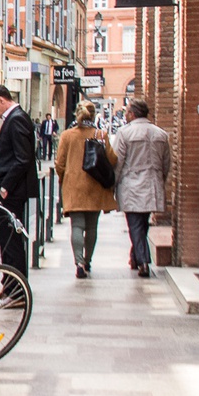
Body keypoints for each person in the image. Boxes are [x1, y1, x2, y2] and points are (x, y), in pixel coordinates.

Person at [54, 101, 117, 279]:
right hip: (95, 186)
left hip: (74, 186)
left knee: (77, 226)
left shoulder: (67, 135)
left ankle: (79, 263)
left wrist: (64, 178)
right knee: (92, 227)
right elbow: (112, 159)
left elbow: (60, 163)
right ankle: (88, 261)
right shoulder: (101, 134)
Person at [0, 84, 37, 288]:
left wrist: (5, 186)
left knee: (10, 240)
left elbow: (23, 158)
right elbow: (15, 153)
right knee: (7, 238)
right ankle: (12, 287)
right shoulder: (15, 118)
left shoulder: (16, 119)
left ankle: (15, 290)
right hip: (11, 191)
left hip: (11, 193)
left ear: (1, 100)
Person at [111, 99, 170, 278]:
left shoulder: (125, 133)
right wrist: (160, 180)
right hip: (152, 184)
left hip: (131, 184)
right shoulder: (161, 134)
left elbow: (117, 162)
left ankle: (144, 262)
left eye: (128, 112)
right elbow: (166, 162)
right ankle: (136, 257)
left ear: (134, 114)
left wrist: (113, 184)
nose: (126, 115)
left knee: (135, 225)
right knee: (142, 223)